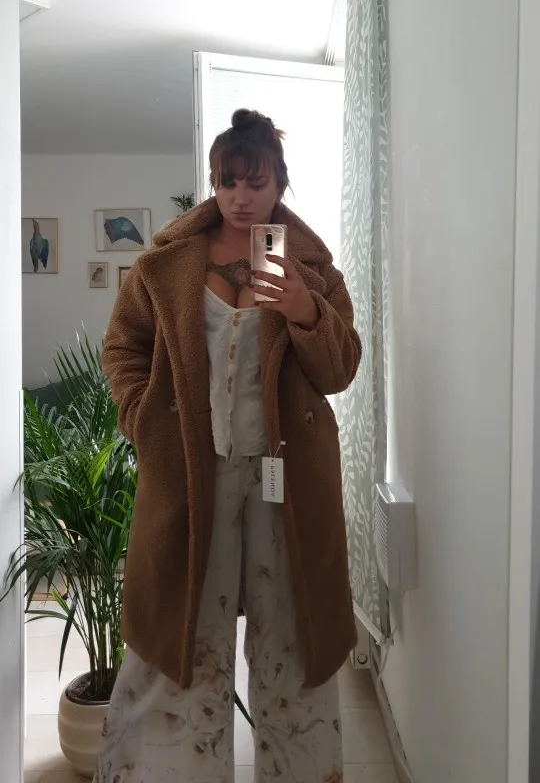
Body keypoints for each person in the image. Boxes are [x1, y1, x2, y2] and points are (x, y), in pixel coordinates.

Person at [97, 108, 361, 783]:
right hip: (190, 477)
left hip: (287, 482)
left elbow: (340, 369)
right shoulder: (164, 266)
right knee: (182, 641)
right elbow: (123, 348)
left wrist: (305, 310)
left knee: (293, 639)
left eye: (256, 181)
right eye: (228, 181)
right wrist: (144, 419)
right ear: (213, 182)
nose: (241, 196)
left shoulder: (310, 267)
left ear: (280, 183)